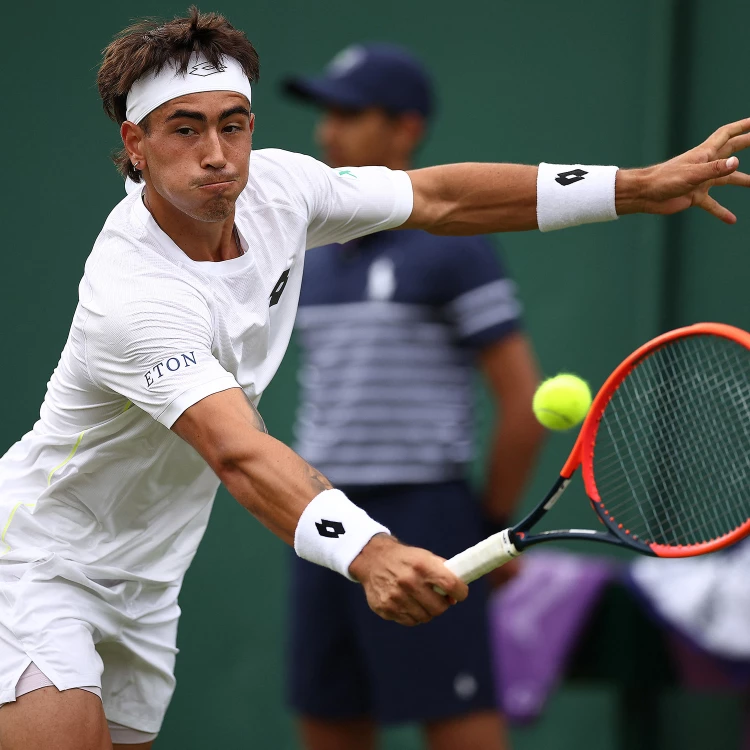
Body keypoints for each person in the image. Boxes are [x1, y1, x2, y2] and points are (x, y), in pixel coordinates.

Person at [0, 8, 748, 750]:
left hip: (148, 582)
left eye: (234, 123)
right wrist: (374, 551)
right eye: (185, 128)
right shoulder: (136, 297)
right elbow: (237, 451)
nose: (218, 153)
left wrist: (635, 185)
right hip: (39, 559)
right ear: (136, 144)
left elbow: (439, 198)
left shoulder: (281, 192)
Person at [282, 43, 545, 750]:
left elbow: (522, 402)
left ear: (405, 130)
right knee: (328, 719)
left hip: (430, 513)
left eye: (349, 113)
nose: (326, 133)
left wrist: (489, 523)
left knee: (460, 726)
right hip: (323, 515)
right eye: (324, 114)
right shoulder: (309, 249)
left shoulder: (453, 247)